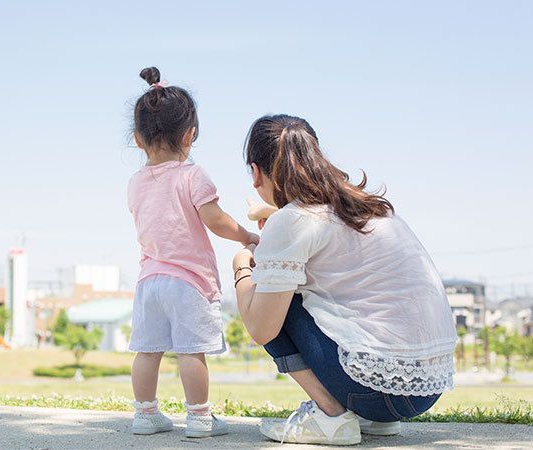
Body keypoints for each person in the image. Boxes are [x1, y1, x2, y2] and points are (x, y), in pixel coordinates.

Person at [232, 114, 457, 445]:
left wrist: (242, 268)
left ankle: (331, 417)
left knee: (270, 299)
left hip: (371, 391)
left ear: (255, 172)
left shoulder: (293, 220)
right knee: (287, 284)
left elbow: (261, 328)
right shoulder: (369, 207)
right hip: (426, 389)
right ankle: (373, 420)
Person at [126, 67, 259, 438]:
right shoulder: (191, 175)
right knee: (190, 353)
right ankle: (199, 417)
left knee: (148, 351)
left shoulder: (134, 183)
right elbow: (215, 220)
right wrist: (247, 235)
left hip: (149, 281)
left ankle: (145, 413)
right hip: (189, 281)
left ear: (137, 139)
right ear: (191, 134)